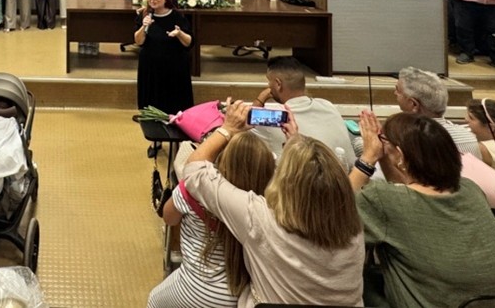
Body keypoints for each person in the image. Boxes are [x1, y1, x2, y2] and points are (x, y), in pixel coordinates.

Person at [183, 101, 364, 307]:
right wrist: (296, 142)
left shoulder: (259, 217)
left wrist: (227, 129)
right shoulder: (354, 227)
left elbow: (194, 170)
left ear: (285, 184)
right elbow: (317, 187)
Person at [350, 111, 495, 308]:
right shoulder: (470, 189)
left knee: (353, 279)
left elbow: (336, 211)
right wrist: (386, 157)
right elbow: (406, 187)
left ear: (400, 155)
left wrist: (368, 157)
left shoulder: (382, 200)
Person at [148, 131, 275, 308]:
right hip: (241, 294)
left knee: (154, 300)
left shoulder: (194, 190)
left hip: (196, 288)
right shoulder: (265, 208)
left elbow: (169, 218)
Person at [249, 56, 357, 168]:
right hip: (348, 176)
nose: (268, 86)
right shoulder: (328, 105)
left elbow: (244, 127)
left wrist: (260, 99)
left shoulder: (272, 117)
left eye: (268, 81)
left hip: (306, 178)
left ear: (278, 84)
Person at [133, 0, 193, 117]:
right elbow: (138, 41)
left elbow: (189, 42)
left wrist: (179, 34)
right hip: (150, 66)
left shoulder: (177, 16)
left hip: (174, 66)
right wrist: (144, 26)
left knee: (174, 104)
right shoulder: (145, 15)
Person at [394, 66, 479, 155]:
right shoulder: (469, 138)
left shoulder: (406, 143)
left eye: (398, 90)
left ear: (414, 104)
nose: (395, 93)